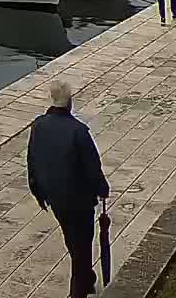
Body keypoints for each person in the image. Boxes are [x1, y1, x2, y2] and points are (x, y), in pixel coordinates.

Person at [27, 79, 110, 298]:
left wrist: (38, 192)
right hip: (79, 201)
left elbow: (32, 161)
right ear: (70, 102)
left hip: (54, 198)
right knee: (81, 244)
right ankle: (79, 291)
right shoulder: (79, 131)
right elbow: (93, 167)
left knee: (74, 240)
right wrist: (103, 189)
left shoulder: (38, 125)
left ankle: (87, 279)